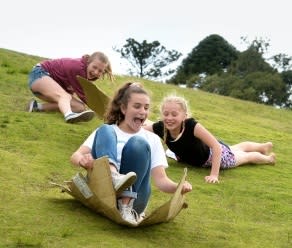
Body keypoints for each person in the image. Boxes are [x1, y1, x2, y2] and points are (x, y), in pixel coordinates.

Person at [70, 83, 192, 225]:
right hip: (103, 190)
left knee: (138, 143)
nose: (143, 111)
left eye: (146, 108)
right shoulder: (106, 132)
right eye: (137, 106)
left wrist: (179, 187)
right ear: (123, 108)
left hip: (134, 202)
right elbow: (75, 156)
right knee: (105, 129)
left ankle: (125, 204)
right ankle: (114, 176)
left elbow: (161, 181)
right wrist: (83, 161)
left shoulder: (151, 139)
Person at [143, 95, 276, 184]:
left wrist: (214, 175)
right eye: (166, 114)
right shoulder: (161, 127)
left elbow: (216, 147)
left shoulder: (192, 126)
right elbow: (141, 129)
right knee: (236, 148)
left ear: (184, 115)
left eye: (174, 114)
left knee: (245, 157)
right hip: (200, 153)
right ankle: (263, 147)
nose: (169, 118)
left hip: (214, 157)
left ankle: (268, 159)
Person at [27, 51, 114, 123]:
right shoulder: (78, 68)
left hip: (48, 86)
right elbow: (86, 97)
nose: (95, 72)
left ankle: (36, 107)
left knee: (79, 107)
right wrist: (107, 112)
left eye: (100, 71)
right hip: (39, 75)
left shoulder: (85, 74)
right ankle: (69, 115)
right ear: (88, 62)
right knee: (65, 96)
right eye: (94, 67)